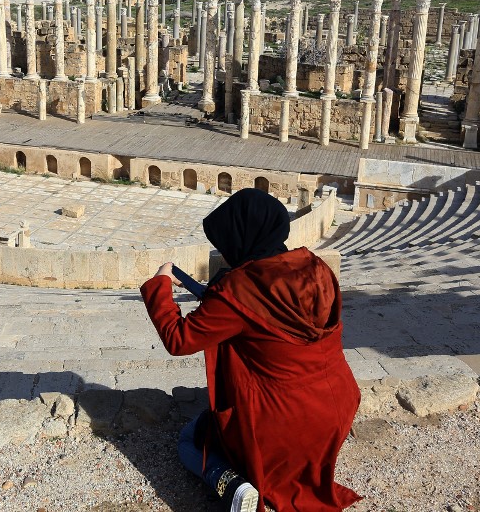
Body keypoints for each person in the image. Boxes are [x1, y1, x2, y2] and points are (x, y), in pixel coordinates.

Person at [140, 188, 361, 512]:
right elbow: (259, 311)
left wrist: (160, 283)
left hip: (282, 420)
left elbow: (179, 339)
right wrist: (208, 291)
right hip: (336, 406)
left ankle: (234, 486)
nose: (225, 250)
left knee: (190, 439)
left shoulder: (236, 291)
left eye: (226, 242)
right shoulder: (315, 267)